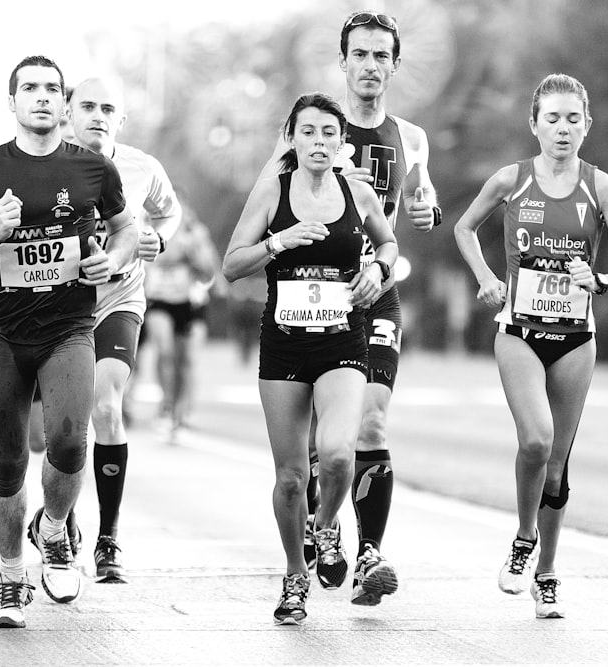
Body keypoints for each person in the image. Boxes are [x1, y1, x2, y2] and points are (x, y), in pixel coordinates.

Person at [0, 56, 138, 629]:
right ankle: (10, 579)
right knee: (6, 461)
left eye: (52, 90)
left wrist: (114, 259)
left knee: (70, 441)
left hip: (69, 328)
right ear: (12, 103)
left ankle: (53, 529)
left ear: (63, 103)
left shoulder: (93, 170)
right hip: (4, 333)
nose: (42, 98)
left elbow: (128, 228)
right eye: (29, 89)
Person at [259, 11, 440, 607]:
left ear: (393, 63)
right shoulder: (312, 133)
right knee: (319, 443)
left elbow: (422, 203)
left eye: (380, 54)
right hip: (313, 292)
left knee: (371, 421)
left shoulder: (411, 138)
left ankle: (369, 555)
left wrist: (423, 216)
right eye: (358, 54)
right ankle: (323, 525)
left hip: (377, 289)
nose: (370, 65)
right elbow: (271, 201)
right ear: (343, 62)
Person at [453, 73, 608, 619]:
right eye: (552, 118)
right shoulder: (511, 180)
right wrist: (487, 277)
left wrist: (600, 281)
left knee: (557, 465)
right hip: (518, 331)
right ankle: (522, 539)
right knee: (536, 442)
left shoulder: (600, 187)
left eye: (572, 119)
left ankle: (548, 574)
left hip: (575, 339)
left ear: (587, 126)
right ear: (534, 124)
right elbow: (464, 230)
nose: (562, 128)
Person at [224, 92, 398, 624]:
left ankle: (325, 527)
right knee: (291, 477)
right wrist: (282, 241)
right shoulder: (272, 192)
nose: (319, 141)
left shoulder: (358, 193)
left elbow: (389, 247)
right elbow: (232, 266)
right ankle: (294, 575)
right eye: (309, 132)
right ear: (291, 137)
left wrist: (378, 271)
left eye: (329, 133)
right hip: (284, 345)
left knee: (340, 453)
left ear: (341, 142)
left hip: (343, 341)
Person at [66, 76, 180, 582]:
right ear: (69, 112)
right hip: (58, 309)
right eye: (86, 105)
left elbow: (168, 214)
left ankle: (107, 539)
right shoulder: (45, 166)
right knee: (57, 433)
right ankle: (59, 515)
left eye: (107, 108)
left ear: (121, 119)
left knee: (107, 407)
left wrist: (157, 237)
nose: (97, 115)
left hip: (119, 300)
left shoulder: (142, 168)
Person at [143, 204, 220, 440]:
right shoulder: (147, 228)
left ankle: (180, 413)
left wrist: (193, 254)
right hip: (158, 300)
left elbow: (210, 273)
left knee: (183, 361)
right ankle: (166, 405)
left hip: (185, 302)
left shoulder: (195, 234)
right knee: (164, 352)